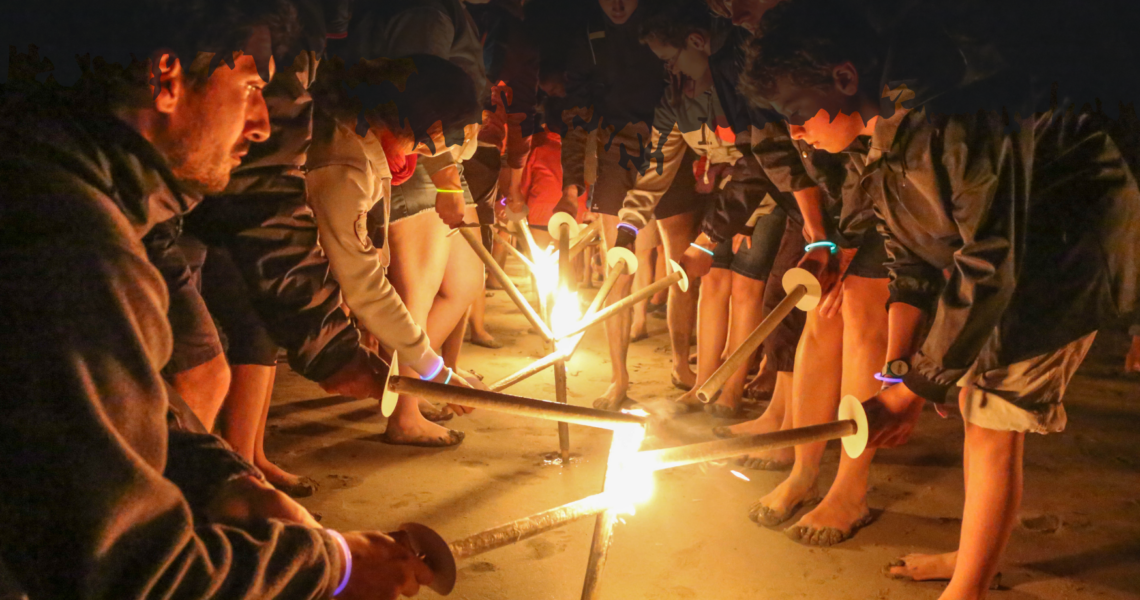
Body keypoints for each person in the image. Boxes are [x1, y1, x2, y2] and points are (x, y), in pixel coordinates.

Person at [0, 1, 437, 596]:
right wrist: (332, 569)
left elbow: (105, 420)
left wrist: (224, 481)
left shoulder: (72, 189)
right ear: (166, 80)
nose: (261, 124)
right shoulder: (75, 259)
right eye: (252, 86)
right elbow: (131, 573)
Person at [746, 0, 1139, 597]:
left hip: (1061, 255)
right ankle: (974, 555)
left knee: (990, 416)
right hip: (1010, 257)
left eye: (797, 113)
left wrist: (915, 386)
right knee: (971, 400)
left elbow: (988, 260)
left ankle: (968, 587)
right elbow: (908, 260)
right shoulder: (875, 139)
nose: (795, 131)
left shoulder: (950, 116)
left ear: (845, 79)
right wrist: (899, 374)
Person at [616, 0, 790, 420]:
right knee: (712, 282)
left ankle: (732, 388)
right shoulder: (679, 101)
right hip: (728, 202)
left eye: (670, 59)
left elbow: (762, 163)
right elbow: (656, 170)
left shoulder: (740, 79)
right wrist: (626, 229)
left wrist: (723, 229)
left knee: (746, 287)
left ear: (696, 41)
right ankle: (704, 383)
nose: (668, 71)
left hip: (770, 198)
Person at [306, 54, 484, 446]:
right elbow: (363, 282)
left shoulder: (370, 144)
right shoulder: (344, 163)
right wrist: (434, 371)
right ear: (418, 116)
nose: (432, 152)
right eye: (437, 138)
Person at [563, 0, 705, 409]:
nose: (618, 4)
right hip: (614, 150)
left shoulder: (663, 24)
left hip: (673, 140)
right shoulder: (588, 32)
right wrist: (572, 181)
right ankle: (619, 377)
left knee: (680, 265)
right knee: (617, 266)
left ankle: (680, 363)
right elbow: (575, 112)